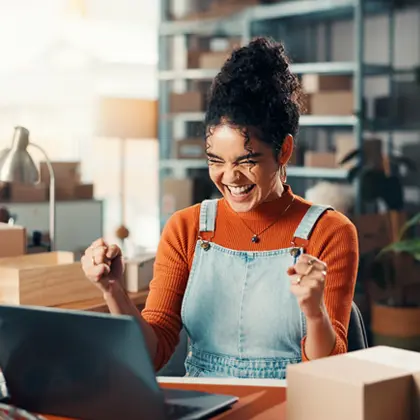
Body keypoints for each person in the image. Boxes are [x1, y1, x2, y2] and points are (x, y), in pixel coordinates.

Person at [82, 37, 359, 379]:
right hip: (203, 406)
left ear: (284, 151)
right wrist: (113, 290)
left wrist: (314, 312)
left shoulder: (330, 232)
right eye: (216, 161)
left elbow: (330, 375)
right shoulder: (186, 228)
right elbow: (151, 355)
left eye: (247, 161)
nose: (230, 177)